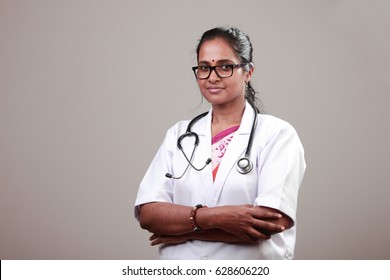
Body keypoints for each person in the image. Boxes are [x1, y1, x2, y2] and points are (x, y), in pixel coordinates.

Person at [134, 26, 306, 260]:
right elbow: (149, 214)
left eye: (225, 66)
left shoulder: (277, 135)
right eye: (204, 67)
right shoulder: (179, 135)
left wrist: (186, 231)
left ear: (248, 72)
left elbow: (271, 222)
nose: (212, 77)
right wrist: (217, 218)